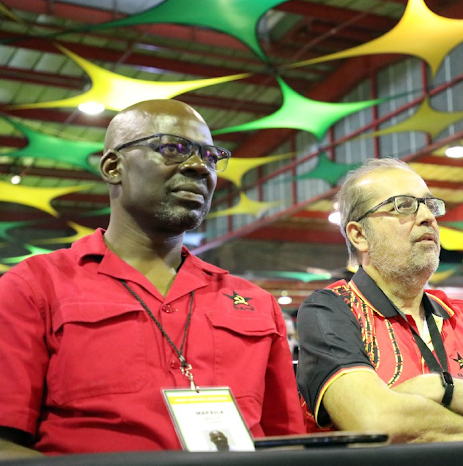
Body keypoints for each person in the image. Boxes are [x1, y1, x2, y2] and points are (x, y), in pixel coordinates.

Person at [0, 100, 303, 458]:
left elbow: (288, 445)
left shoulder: (255, 303)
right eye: (173, 148)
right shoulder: (33, 288)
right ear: (114, 167)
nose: (198, 167)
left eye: (209, 156)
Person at [296, 158, 463, 443]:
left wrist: (441, 387)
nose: (428, 216)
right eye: (403, 205)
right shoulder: (331, 309)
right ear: (359, 235)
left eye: (429, 204)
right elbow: (375, 422)